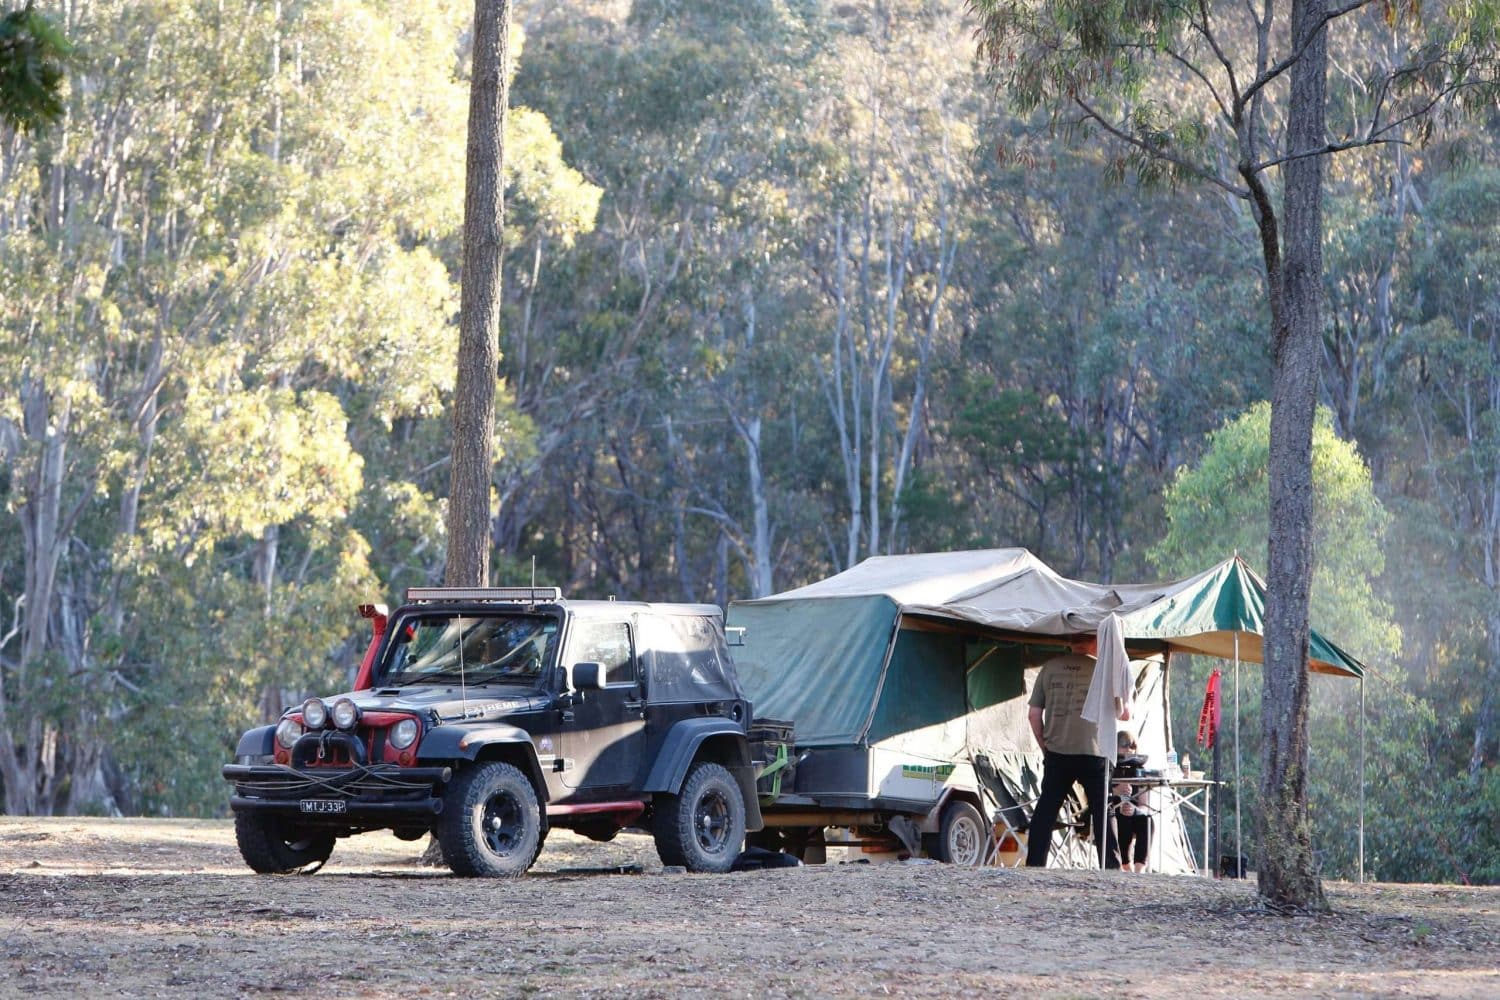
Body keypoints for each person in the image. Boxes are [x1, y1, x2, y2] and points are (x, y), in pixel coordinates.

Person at [1024, 636, 1129, 868]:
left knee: (1046, 810)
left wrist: (1045, 747)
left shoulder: (1049, 668)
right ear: (1095, 642)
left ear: (1069, 640)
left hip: (1058, 751)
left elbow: (1033, 715)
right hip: (1095, 751)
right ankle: (1112, 867)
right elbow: (1124, 714)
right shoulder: (1104, 672)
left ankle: (1034, 866)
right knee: (1103, 811)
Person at [1111, 729, 1152, 872]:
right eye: (1124, 745)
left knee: (1147, 820)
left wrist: (1136, 810)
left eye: (1132, 746)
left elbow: (1145, 805)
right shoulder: (1108, 767)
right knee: (1119, 819)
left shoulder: (1139, 771)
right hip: (1113, 811)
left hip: (1133, 812)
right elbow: (1097, 792)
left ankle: (1139, 868)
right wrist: (1116, 791)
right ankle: (1125, 864)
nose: (1128, 749)